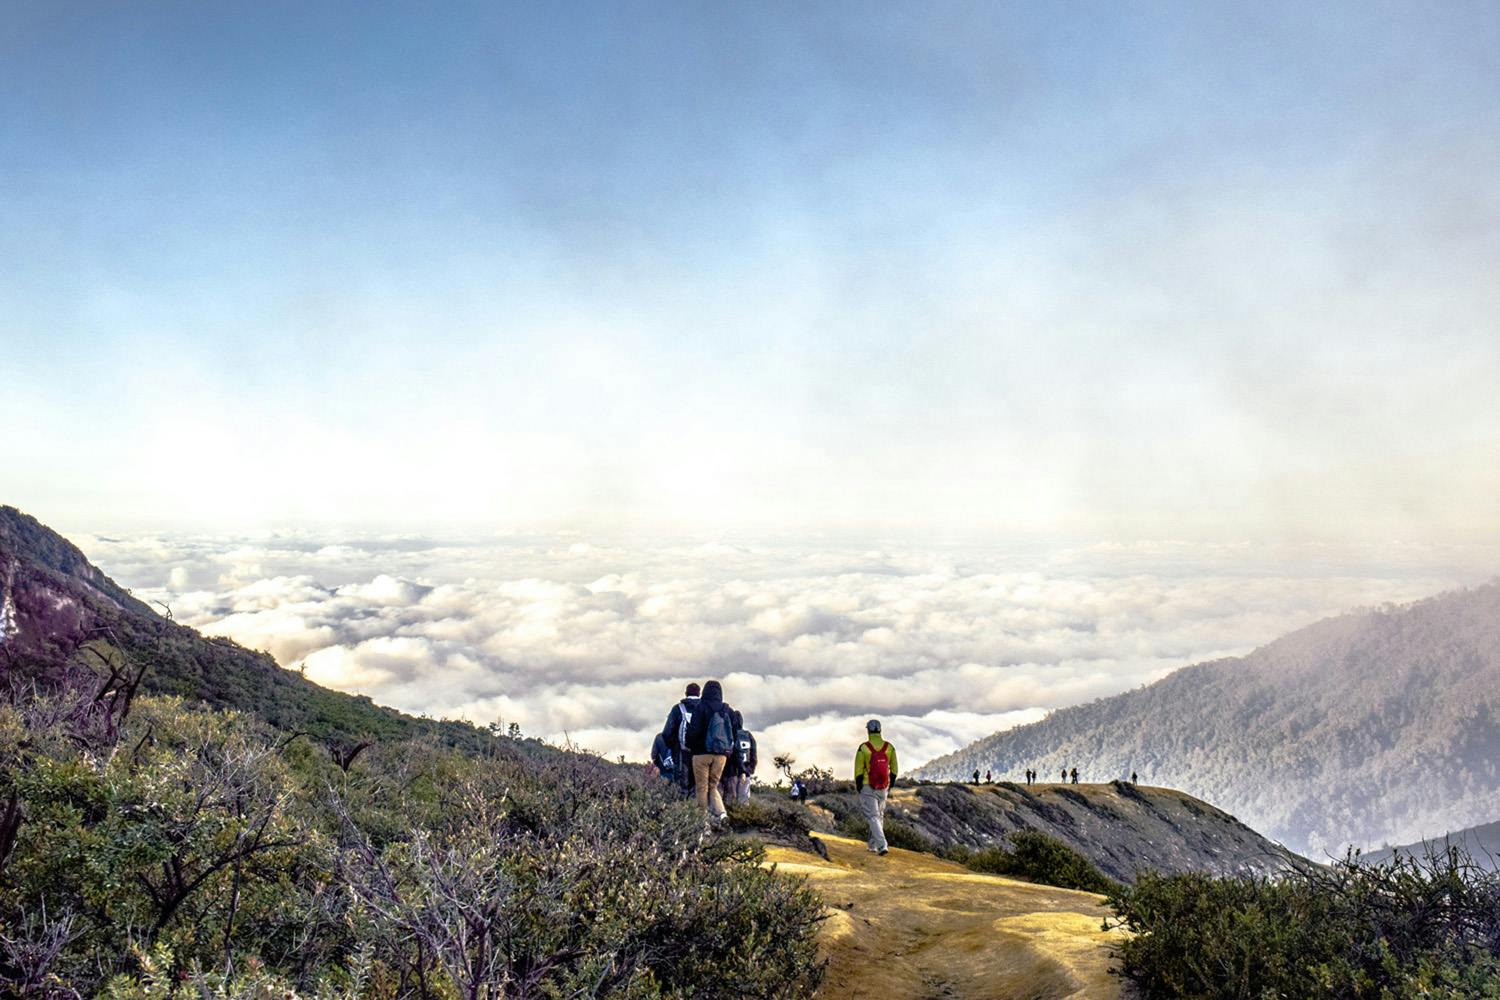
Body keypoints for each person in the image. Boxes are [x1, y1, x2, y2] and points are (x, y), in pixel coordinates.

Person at [684, 680, 736, 822]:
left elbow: (693, 732)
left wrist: (690, 746)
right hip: (721, 755)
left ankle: (702, 819)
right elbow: (734, 732)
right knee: (713, 786)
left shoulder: (700, 707)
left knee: (702, 787)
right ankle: (722, 814)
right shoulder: (727, 710)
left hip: (701, 754)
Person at [854, 719, 898, 856]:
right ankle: (872, 845)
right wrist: (890, 785)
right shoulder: (889, 747)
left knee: (873, 816)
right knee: (879, 816)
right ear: (880, 730)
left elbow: (858, 771)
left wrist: (859, 786)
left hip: (868, 786)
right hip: (883, 787)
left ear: (868, 731)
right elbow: (895, 770)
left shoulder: (864, 748)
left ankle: (882, 845)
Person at [660, 683, 701, 796]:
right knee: (698, 785)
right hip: (701, 754)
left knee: (681, 785)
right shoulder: (704, 708)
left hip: (681, 752)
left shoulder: (678, 709)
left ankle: (682, 809)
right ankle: (697, 810)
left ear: (686, 693)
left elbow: (667, 733)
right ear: (699, 693)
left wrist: (673, 747)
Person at [732, 713, 757, 805]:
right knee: (744, 799)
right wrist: (750, 770)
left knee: (731, 798)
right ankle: (743, 816)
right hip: (746, 771)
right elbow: (754, 754)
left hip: (733, 771)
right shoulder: (748, 735)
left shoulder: (732, 734)